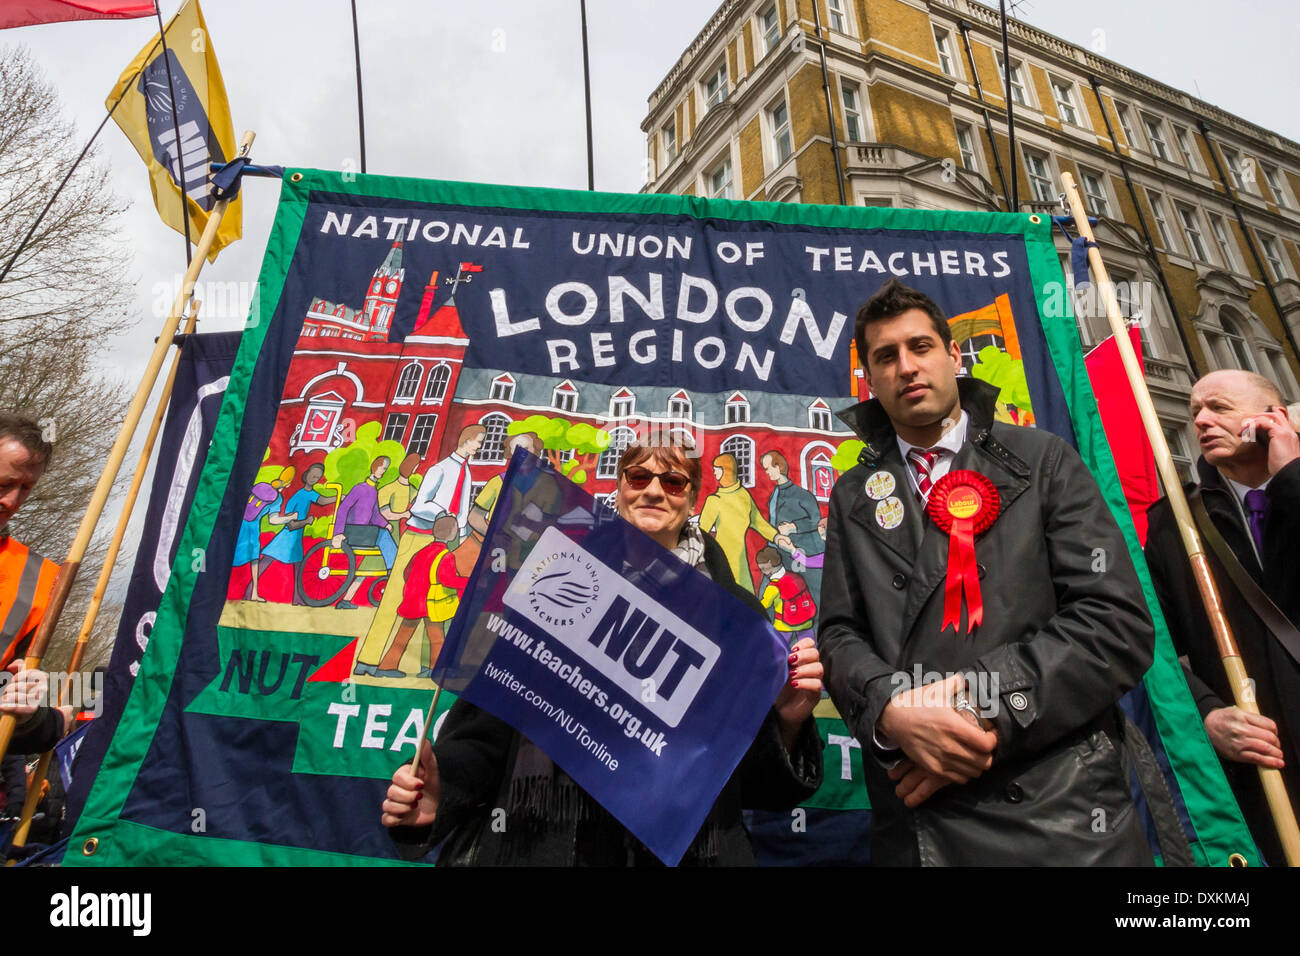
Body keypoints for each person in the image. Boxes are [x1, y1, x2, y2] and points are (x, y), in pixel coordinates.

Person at [819, 279, 1155, 865]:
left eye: (921, 347)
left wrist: (977, 704)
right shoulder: (852, 495)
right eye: (886, 357)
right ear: (869, 381)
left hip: (1059, 812)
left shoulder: (1042, 459)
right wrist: (891, 711)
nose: (907, 367)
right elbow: (839, 634)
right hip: (916, 820)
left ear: (953, 356)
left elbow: (1115, 623)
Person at [380, 441, 824, 865]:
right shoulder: (554, 582)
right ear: (620, 488)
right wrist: (444, 791)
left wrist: (787, 721)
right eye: (638, 476)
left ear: (692, 500)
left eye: (672, 482)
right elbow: (488, 729)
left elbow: (753, 785)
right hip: (544, 843)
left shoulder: (737, 622)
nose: (653, 489)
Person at [1144, 369, 1300, 866]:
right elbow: (1150, 643)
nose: (1202, 421)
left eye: (1219, 408)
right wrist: (1206, 713)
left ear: (1271, 418)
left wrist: (1292, 478)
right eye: (1194, 413)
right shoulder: (1176, 521)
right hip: (1262, 773)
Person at [0, 415, 73, 764]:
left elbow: (19, 720)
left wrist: (41, 720)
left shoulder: (40, 578)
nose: (12, 501)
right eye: (4, 483)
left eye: (25, 488)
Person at [698, 453, 792, 594]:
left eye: (717, 468)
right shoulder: (714, 500)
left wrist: (777, 537)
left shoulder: (743, 496)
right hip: (719, 560)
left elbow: (759, 523)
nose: (715, 472)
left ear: (726, 470)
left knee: (743, 601)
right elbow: (700, 533)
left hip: (740, 564)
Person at [259, 462, 336, 604]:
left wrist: (340, 497)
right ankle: (249, 591)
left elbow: (323, 500)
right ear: (306, 475)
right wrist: (306, 521)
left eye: (317, 477)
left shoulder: (310, 493)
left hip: (295, 539)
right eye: (313, 475)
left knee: (298, 569)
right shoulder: (298, 496)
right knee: (265, 564)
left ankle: (298, 599)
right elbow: (291, 524)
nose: (314, 478)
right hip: (286, 538)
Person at [331, 455, 398, 610]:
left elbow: (375, 514)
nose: (383, 471)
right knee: (382, 536)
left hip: (364, 532)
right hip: (353, 531)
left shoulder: (373, 491)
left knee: (384, 533)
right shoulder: (359, 488)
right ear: (374, 467)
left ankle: (391, 569)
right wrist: (338, 533)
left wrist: (385, 523)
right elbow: (343, 509)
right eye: (382, 467)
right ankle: (392, 569)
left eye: (385, 469)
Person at [761, 450, 825, 601]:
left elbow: (816, 519)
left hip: (801, 553)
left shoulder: (802, 494)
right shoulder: (774, 494)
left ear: (778, 467)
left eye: (768, 468)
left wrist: (793, 527)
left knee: (809, 593)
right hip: (778, 553)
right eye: (765, 469)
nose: (767, 472)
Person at [754, 546, 816, 644]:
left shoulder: (773, 587)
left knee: (778, 651)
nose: (762, 571)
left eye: (763, 568)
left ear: (770, 563)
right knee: (810, 648)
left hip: (783, 625)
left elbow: (763, 605)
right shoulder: (796, 577)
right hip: (806, 622)